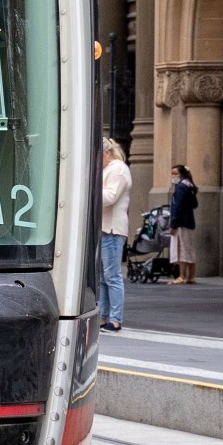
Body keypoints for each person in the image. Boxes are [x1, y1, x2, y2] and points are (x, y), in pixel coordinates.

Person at [97, 138, 131, 332]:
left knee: (112, 276)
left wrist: (90, 193)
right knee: (103, 276)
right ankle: (104, 315)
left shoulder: (117, 169)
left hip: (112, 228)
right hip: (105, 227)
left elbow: (110, 197)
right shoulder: (109, 170)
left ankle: (115, 318)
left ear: (107, 154)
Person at [166, 164, 200, 284]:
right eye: (172, 173)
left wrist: (173, 225)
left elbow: (178, 207)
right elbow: (195, 204)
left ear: (182, 174)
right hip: (189, 221)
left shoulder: (180, 187)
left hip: (181, 223)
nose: (173, 176)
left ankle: (182, 276)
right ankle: (191, 276)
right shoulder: (190, 186)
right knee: (189, 249)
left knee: (181, 250)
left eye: (176, 174)